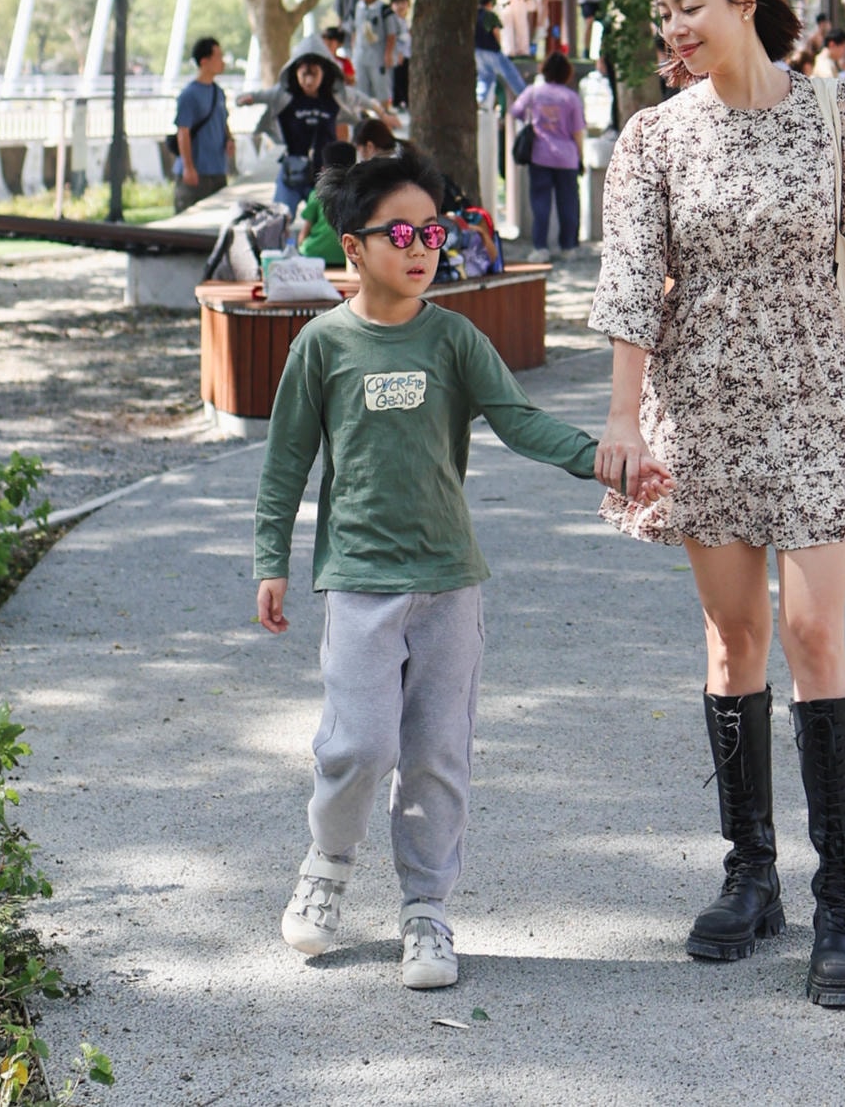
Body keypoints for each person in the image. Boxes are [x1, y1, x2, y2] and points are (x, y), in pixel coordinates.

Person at [588, 0, 845, 1012]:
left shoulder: (840, 114)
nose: (673, 29)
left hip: (822, 399)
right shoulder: (653, 138)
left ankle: (841, 896)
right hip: (705, 408)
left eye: (689, 5)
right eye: (662, 15)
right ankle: (752, 873)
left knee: (815, 628)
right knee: (732, 637)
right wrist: (625, 422)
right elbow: (633, 284)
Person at [253, 148, 671, 990]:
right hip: (361, 581)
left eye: (433, 231)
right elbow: (286, 463)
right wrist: (272, 561)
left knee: (438, 753)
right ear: (354, 247)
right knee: (359, 745)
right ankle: (328, 863)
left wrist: (603, 459)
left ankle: (426, 911)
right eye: (400, 232)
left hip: (449, 581)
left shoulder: (453, 338)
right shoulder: (323, 345)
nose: (421, 247)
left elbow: (519, 420)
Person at [238, 36, 383, 218]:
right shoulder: (284, 95)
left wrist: (380, 111)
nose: (308, 81)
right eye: (303, 75)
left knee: (329, 222)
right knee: (279, 219)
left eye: (313, 74)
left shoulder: (335, 97)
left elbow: (362, 99)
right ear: (295, 73)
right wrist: (246, 99)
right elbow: (258, 95)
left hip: (325, 173)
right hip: (293, 171)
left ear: (324, 73)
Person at [510, 51, 585, 263]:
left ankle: (540, 247)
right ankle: (568, 247)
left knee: (540, 202)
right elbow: (578, 132)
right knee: (568, 203)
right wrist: (581, 157)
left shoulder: (534, 92)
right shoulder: (571, 98)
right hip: (567, 157)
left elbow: (516, 110)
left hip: (540, 155)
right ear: (566, 73)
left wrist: (530, 119)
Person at [173, 36, 233, 214]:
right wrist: (188, 167)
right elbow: (183, 132)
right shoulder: (189, 94)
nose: (222, 61)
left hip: (218, 170)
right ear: (204, 61)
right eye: (219, 57)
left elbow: (223, 121)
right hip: (197, 173)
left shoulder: (218, 92)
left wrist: (229, 139)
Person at [296, 142, 356, 263]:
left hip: (314, 254)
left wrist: (300, 246)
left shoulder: (317, 194)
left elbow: (305, 232)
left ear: (324, 169)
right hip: (348, 256)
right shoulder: (360, 193)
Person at [352, 0, 397, 102]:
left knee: (381, 89)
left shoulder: (385, 10)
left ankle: (385, 118)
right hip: (361, 55)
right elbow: (356, 29)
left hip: (378, 56)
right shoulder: (358, 7)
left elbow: (391, 34)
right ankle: (363, 119)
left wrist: (388, 54)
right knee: (360, 90)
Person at [475, 0, 527, 103]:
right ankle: (525, 97)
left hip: (478, 51)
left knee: (485, 77)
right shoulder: (489, 15)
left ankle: (479, 100)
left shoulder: (472, 15)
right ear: (489, 3)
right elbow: (496, 32)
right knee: (510, 74)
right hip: (492, 50)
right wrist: (499, 45)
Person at [388, 0, 412, 109]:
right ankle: (399, 102)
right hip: (398, 56)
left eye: (403, 3)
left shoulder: (406, 21)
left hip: (408, 54)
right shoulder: (393, 21)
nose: (400, 6)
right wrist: (398, 53)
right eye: (397, 3)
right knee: (399, 80)